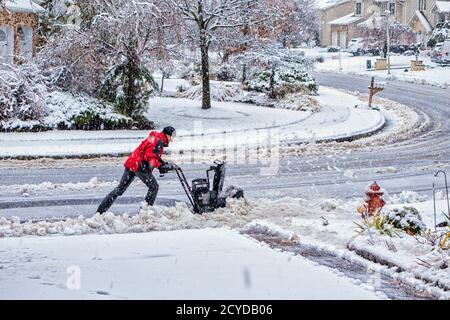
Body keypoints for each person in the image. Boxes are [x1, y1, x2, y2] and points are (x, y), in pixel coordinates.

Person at [96, 126, 176, 214]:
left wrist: (161, 163)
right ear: (167, 135)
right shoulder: (159, 141)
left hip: (132, 163)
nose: (172, 139)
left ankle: (100, 212)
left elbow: (150, 152)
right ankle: (145, 213)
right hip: (141, 167)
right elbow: (149, 158)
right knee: (154, 187)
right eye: (172, 136)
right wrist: (160, 166)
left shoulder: (155, 137)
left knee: (119, 190)